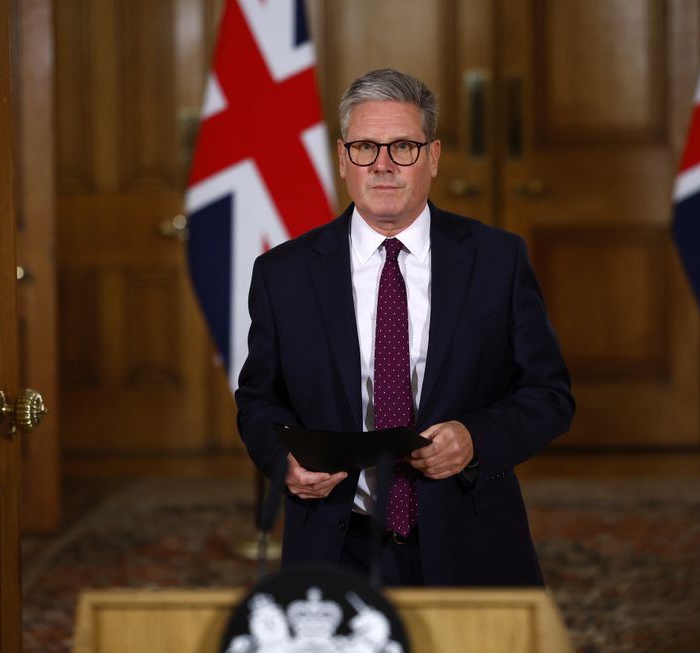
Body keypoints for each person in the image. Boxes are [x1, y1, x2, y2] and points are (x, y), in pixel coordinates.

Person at [235, 68, 574, 587]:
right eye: (366, 147)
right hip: (336, 540)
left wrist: (474, 438)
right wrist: (284, 463)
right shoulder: (284, 273)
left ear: (433, 157)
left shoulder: (496, 259)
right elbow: (258, 398)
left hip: (472, 538)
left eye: (404, 148)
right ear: (344, 159)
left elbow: (549, 395)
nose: (384, 165)